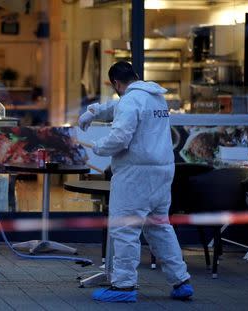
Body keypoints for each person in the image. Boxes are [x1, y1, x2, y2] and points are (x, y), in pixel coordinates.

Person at [78, 61, 193, 303]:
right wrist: (94, 111)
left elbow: (120, 136)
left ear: (116, 84)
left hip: (135, 175)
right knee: (160, 226)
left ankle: (123, 286)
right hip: (162, 172)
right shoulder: (155, 98)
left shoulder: (130, 100)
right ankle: (181, 281)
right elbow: (118, 108)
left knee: (125, 229)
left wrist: (97, 147)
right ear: (136, 77)